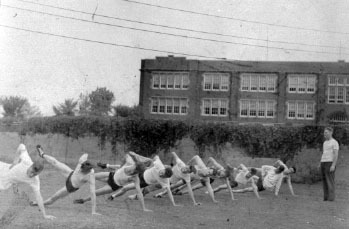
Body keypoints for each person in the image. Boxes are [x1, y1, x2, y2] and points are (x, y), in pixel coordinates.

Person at [30, 145, 100, 215]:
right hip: (71, 174)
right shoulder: (82, 160)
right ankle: (42, 154)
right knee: (55, 162)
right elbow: (86, 154)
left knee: (54, 197)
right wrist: (86, 153)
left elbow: (93, 194)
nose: (82, 170)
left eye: (84, 170)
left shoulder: (90, 176)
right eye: (82, 169)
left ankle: (39, 203)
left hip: (71, 186)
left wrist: (93, 211)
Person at [73, 153, 152, 212]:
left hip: (113, 186)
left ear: (137, 172)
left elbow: (139, 193)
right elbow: (127, 155)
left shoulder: (135, 178)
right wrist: (133, 157)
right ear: (134, 165)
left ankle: (83, 200)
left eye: (135, 171)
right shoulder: (129, 163)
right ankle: (76, 179)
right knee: (92, 175)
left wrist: (143, 208)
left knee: (96, 192)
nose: (132, 170)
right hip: (110, 175)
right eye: (133, 168)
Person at [0, 144, 55, 219]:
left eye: (34, 174)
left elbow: (39, 197)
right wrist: (15, 161)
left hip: (4, 182)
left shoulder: (35, 181)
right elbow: (21, 146)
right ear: (31, 166)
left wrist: (44, 215)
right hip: (3, 169)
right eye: (31, 171)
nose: (31, 175)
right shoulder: (27, 161)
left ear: (38, 174)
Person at [108, 154, 181, 207]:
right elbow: (156, 156)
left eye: (163, 176)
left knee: (126, 188)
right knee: (126, 169)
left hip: (143, 182)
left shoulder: (165, 180)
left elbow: (169, 192)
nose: (161, 175)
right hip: (142, 172)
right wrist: (151, 165)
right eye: (162, 173)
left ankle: (113, 196)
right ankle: (109, 170)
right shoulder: (159, 165)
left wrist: (174, 203)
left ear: (166, 177)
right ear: (163, 169)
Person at [130, 152, 201, 206]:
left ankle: (136, 196)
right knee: (150, 162)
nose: (186, 171)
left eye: (189, 171)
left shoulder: (187, 176)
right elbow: (173, 153)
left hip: (168, 181)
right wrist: (171, 161)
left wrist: (194, 202)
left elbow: (189, 189)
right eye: (188, 169)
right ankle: (136, 158)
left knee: (149, 188)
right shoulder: (181, 163)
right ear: (187, 166)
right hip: (164, 174)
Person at [171, 157, 236, 201]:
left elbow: (229, 187)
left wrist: (232, 197)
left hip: (208, 178)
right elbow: (211, 158)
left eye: (223, 176)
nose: (221, 176)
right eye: (222, 174)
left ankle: (180, 193)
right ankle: (177, 189)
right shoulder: (219, 167)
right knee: (188, 182)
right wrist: (206, 164)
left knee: (195, 187)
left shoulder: (225, 177)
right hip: (204, 172)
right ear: (223, 170)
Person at [231, 160, 297, 199]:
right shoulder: (283, 167)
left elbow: (288, 185)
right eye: (290, 170)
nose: (289, 171)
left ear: (292, 173)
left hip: (266, 180)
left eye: (291, 172)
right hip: (266, 174)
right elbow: (279, 161)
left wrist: (293, 194)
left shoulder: (286, 176)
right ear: (289, 168)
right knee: (254, 170)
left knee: (253, 181)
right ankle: (238, 170)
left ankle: (236, 187)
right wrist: (273, 165)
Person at [319, 127, 339, 201]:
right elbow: (324, 153)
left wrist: (333, 165)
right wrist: (320, 162)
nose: (325, 134)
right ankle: (326, 197)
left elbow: (336, 154)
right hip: (323, 162)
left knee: (330, 180)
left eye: (326, 132)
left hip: (329, 163)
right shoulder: (325, 143)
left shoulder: (334, 142)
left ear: (331, 133)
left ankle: (331, 198)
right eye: (324, 132)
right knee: (324, 180)